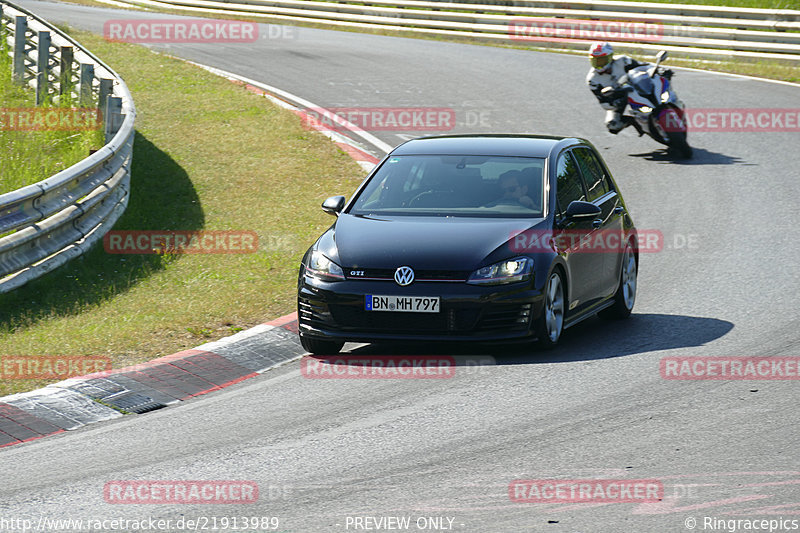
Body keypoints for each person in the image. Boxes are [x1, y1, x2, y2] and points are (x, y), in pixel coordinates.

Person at [585, 42, 673, 135]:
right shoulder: (592, 80)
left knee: (660, 88)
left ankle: (672, 103)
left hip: (635, 88)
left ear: (610, 57)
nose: (599, 64)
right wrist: (615, 101)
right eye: (595, 61)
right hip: (617, 99)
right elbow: (604, 102)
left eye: (602, 60)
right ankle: (634, 121)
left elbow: (644, 66)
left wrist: (660, 70)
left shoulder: (623, 61)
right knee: (612, 125)